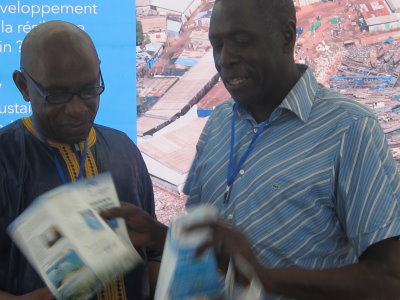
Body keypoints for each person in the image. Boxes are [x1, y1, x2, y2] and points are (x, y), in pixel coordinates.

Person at [103, 0, 400, 299]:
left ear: (287, 36)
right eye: (217, 44)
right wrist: (158, 237)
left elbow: (389, 279)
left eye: (242, 41)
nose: (225, 59)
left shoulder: (350, 128)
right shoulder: (219, 122)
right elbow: (207, 249)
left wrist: (266, 279)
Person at [0, 21, 160, 300]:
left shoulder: (123, 148)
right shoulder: (5, 158)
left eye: (89, 90)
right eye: (58, 95)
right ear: (23, 86)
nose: (76, 109)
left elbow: (152, 254)